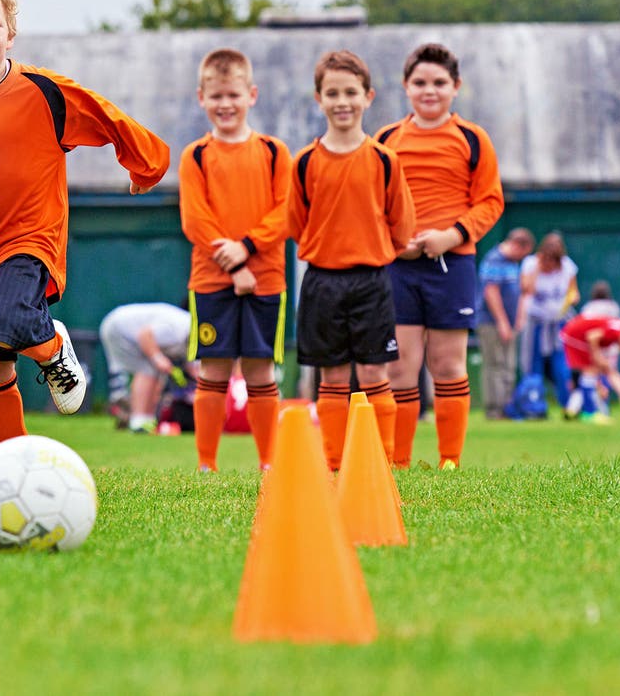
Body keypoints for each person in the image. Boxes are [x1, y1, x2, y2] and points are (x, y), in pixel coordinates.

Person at [0, 0, 169, 442]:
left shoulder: (44, 92)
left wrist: (146, 165)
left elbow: (106, 116)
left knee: (10, 321)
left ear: (10, 34)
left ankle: (53, 348)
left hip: (32, 238)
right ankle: (12, 458)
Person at [376, 43, 504, 470]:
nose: (429, 91)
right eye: (420, 83)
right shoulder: (386, 140)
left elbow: (490, 201)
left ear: (456, 87)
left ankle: (450, 460)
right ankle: (400, 462)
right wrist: (398, 241)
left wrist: (452, 235)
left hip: (453, 266)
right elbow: (373, 202)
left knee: (448, 364)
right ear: (405, 87)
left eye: (439, 83)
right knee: (400, 369)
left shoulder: (472, 138)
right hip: (399, 267)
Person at [289, 50, 416, 472]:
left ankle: (387, 463)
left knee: (376, 376)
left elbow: (401, 226)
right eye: (332, 93)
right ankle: (333, 462)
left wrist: (370, 249)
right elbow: (295, 222)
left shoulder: (384, 160)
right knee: (333, 379)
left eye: (350, 92)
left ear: (368, 97)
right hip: (322, 282)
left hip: (372, 282)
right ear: (318, 99)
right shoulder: (305, 162)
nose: (342, 101)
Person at [179, 48, 292, 471]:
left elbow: (286, 212)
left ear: (252, 95)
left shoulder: (275, 152)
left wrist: (246, 248)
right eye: (216, 96)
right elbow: (195, 220)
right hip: (211, 280)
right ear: (201, 98)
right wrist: (234, 265)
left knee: (261, 370)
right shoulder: (195, 156)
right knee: (213, 369)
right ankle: (207, 464)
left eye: (233, 95)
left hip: (267, 279)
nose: (225, 104)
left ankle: (270, 464)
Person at [99, 302, 192, 433]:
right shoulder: (178, 330)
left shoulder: (191, 334)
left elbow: (194, 368)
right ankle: (139, 421)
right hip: (119, 329)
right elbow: (145, 335)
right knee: (148, 368)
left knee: (152, 369)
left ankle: (142, 417)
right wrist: (158, 358)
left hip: (119, 327)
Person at [476, 228, 535, 419]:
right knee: (495, 364)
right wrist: (502, 322)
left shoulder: (512, 263)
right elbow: (491, 293)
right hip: (491, 322)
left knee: (508, 365)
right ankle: (494, 409)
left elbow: (518, 292)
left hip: (509, 323)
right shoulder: (494, 259)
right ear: (517, 245)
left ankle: (508, 407)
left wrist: (517, 319)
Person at [518, 232, 578, 414]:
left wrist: (570, 300)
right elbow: (526, 289)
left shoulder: (567, 266)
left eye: (554, 261)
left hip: (558, 322)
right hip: (536, 322)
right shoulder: (530, 264)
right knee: (532, 365)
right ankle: (533, 406)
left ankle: (567, 406)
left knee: (562, 365)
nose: (550, 265)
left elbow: (574, 292)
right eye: (548, 260)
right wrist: (537, 268)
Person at [560, 313, 620, 422]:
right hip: (574, 336)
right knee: (591, 371)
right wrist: (596, 355)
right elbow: (592, 336)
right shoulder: (615, 334)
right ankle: (589, 413)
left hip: (574, 332)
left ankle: (576, 410)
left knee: (595, 373)